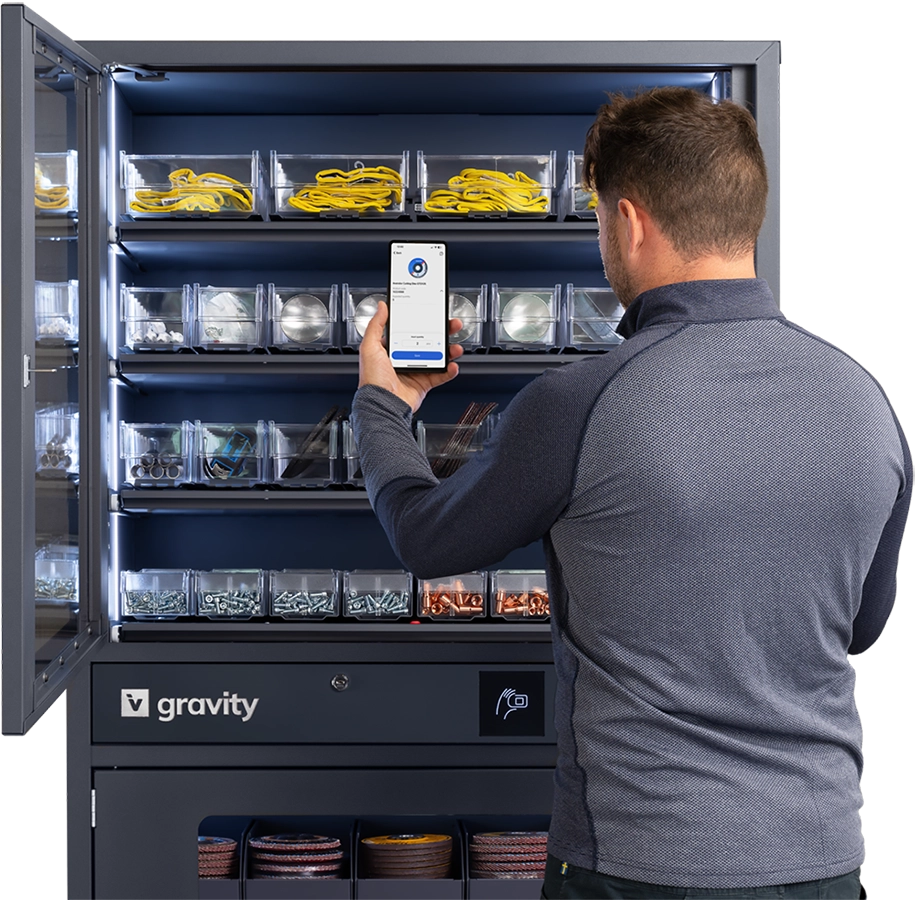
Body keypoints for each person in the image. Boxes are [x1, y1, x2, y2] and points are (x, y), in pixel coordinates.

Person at [350, 87, 910, 898]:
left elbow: (425, 539)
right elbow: (856, 629)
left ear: (630, 220)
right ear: (744, 216)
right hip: (820, 859)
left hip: (638, 863)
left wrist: (384, 404)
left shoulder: (578, 402)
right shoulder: (864, 400)